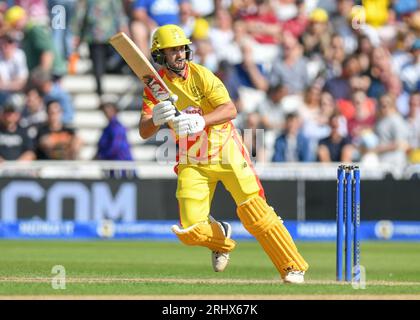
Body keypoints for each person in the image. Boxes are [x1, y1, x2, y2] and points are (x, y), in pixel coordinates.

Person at [138, 24, 308, 284]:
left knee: (255, 212)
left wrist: (201, 121)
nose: (180, 55)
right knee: (190, 231)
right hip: (192, 160)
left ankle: (292, 266)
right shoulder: (154, 87)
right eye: (172, 51)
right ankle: (221, 236)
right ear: (160, 55)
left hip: (226, 150)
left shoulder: (202, 75)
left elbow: (229, 110)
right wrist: (156, 119)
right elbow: (144, 130)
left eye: (182, 48)